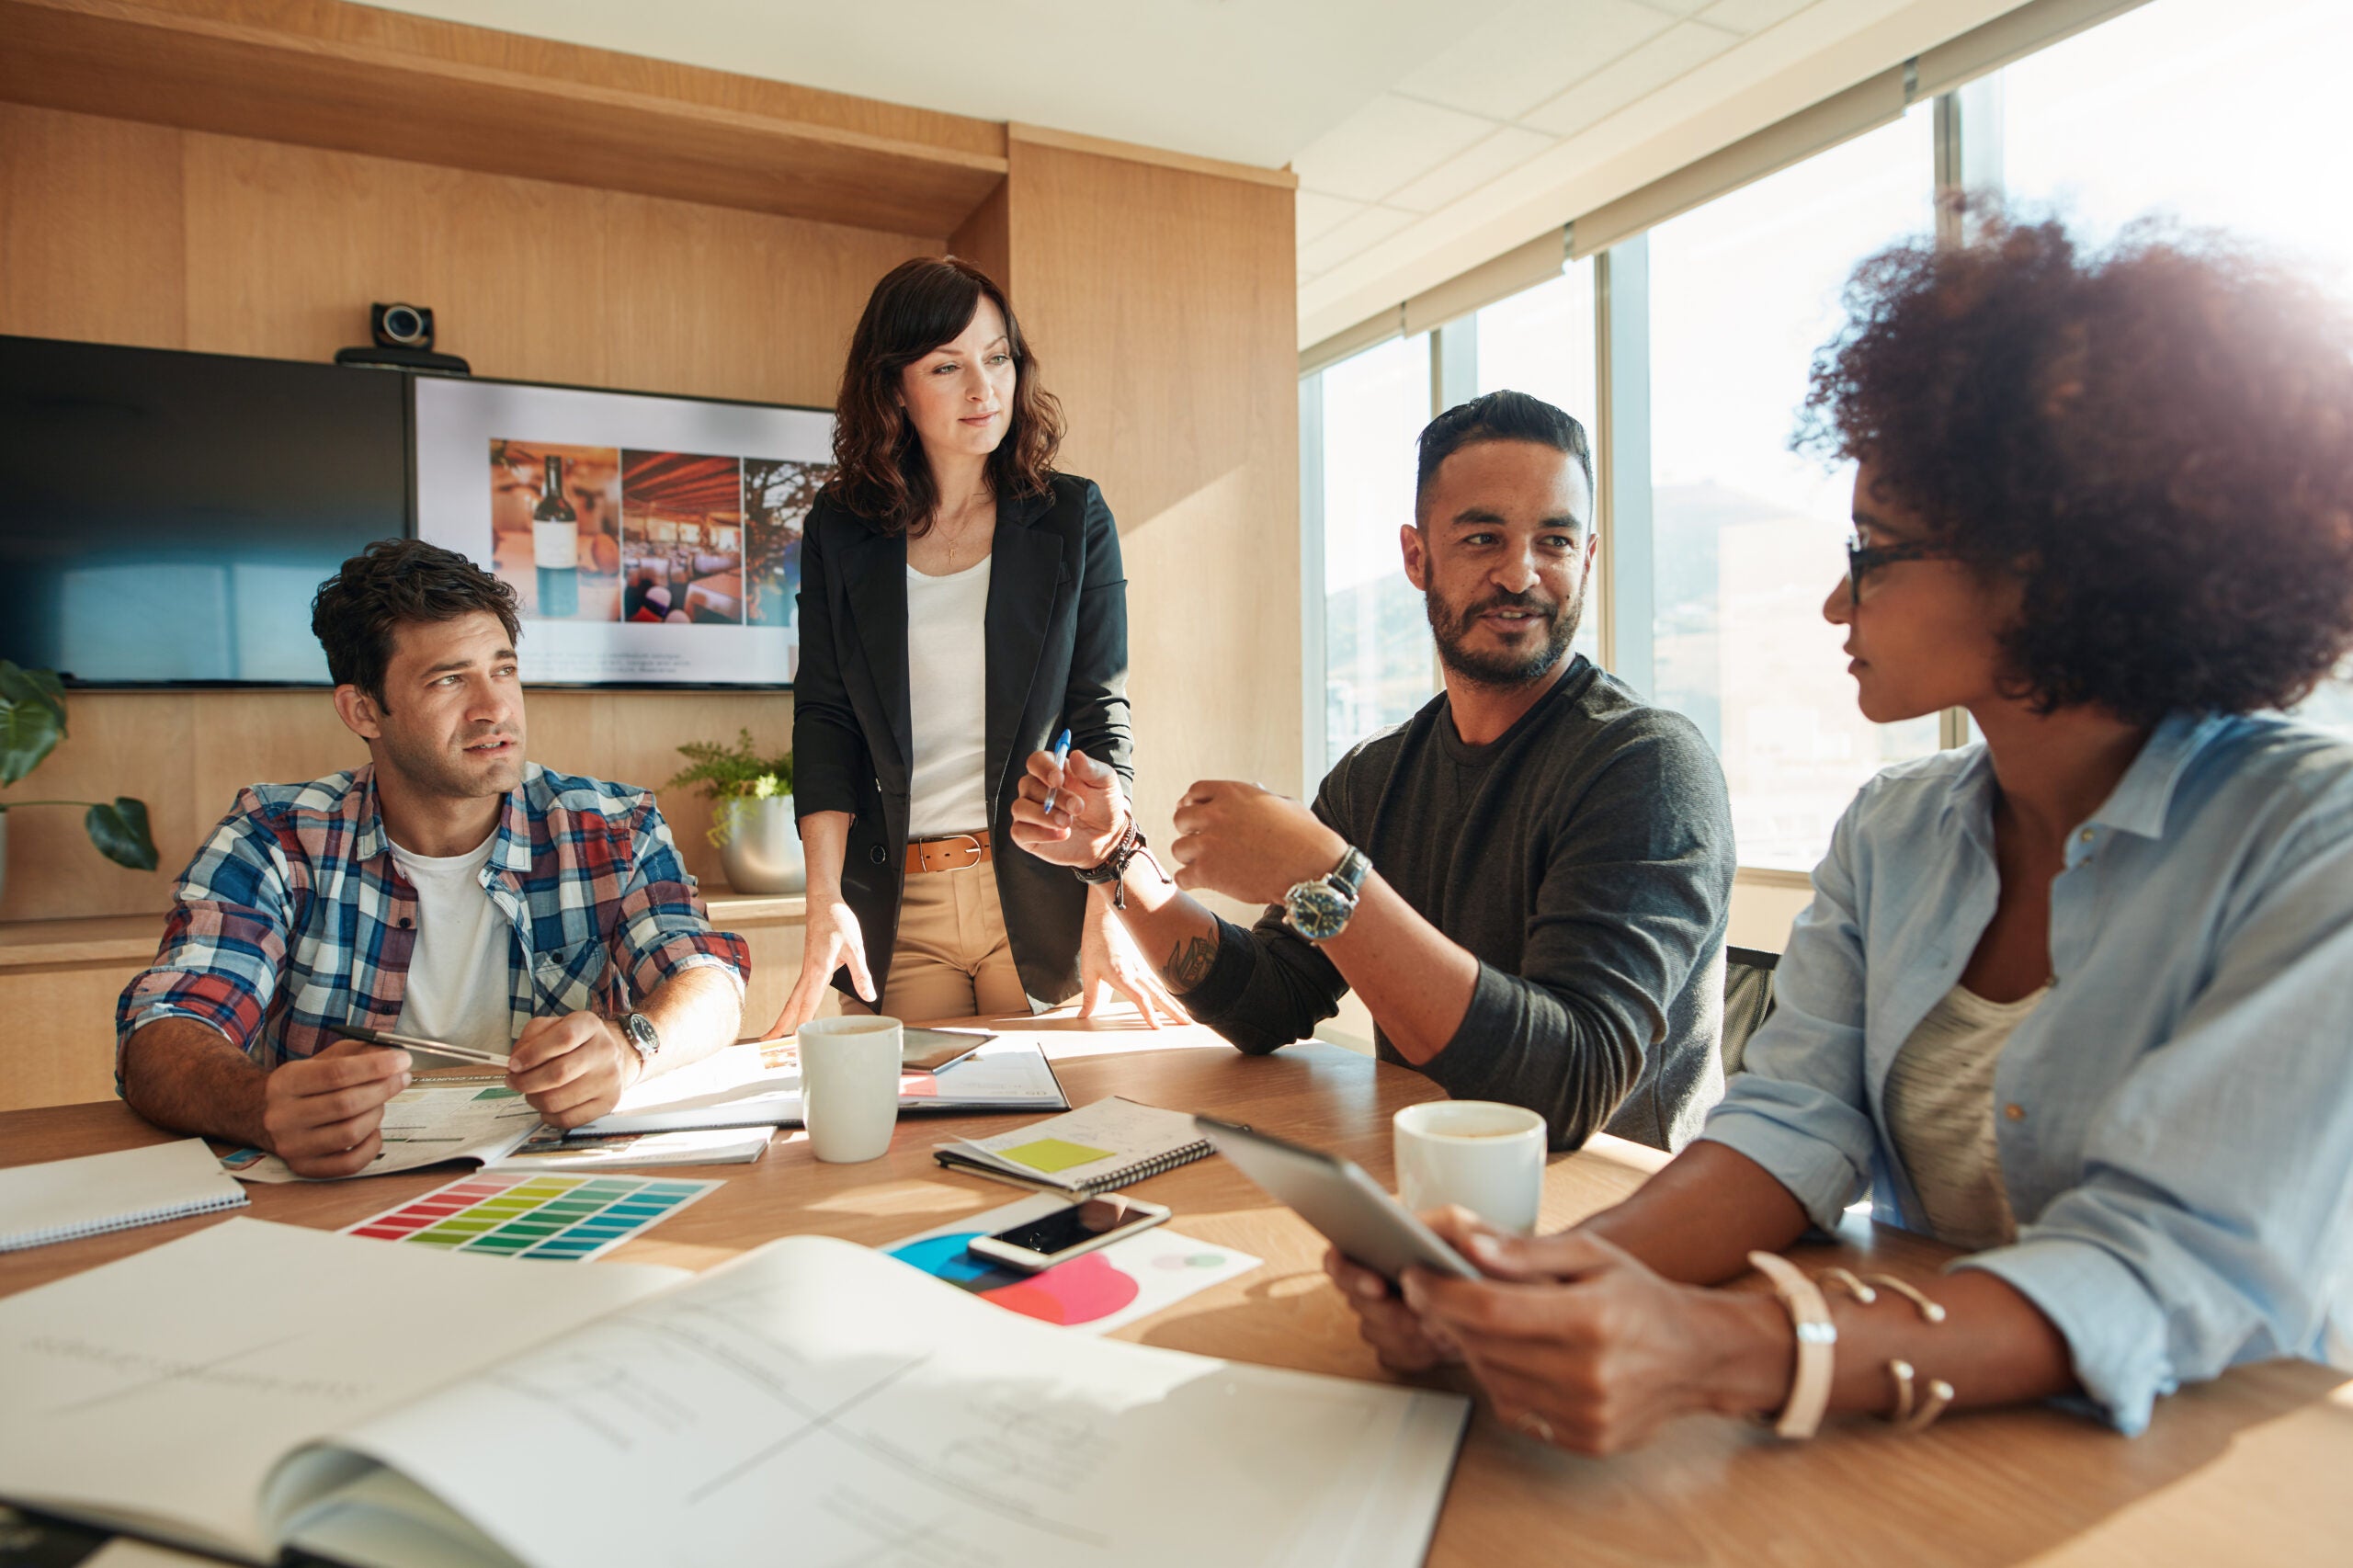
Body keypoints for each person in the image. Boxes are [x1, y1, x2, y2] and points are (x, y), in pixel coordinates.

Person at [1328, 217, 2353, 1451]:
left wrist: (1727, 1349)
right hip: (1920, 1431)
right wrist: (1525, 1290)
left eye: (1873, 554)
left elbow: (2161, 1261)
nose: (1833, 597)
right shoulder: (1897, 826)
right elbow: (1789, 1129)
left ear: (2053, 570)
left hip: (2211, 1464)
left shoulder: (2312, 841)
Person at [1012, 390, 1736, 1151]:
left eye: (1554, 542)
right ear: (1417, 557)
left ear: (1587, 558)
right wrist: (1115, 858)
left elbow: (1564, 1091)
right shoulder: (1378, 776)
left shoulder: (1647, 767)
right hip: (1425, 1188)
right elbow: (1270, 1002)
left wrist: (1326, 875)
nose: (1521, 575)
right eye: (1484, 538)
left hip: (1607, 1222)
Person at [118, 540, 750, 1177]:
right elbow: (163, 1032)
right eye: (450, 679)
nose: (495, 707)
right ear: (363, 710)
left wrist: (630, 1047)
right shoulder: (275, 838)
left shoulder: (613, 827)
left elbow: (706, 979)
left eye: (503, 670)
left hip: (550, 1183)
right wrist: (257, 1105)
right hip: (340, 1193)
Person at [768, 256, 1181, 1033]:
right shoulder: (840, 530)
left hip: (1039, 896)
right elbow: (825, 719)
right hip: (899, 909)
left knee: (1057, 1137)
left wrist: (1109, 904)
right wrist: (822, 901)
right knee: (913, 1144)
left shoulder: (1070, 517)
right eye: (946, 366)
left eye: (998, 359)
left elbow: (1101, 719)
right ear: (894, 386)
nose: (982, 389)